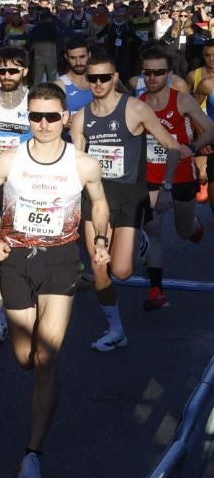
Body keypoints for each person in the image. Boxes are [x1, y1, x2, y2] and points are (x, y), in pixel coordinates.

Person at [0, 83, 110, 478]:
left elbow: (99, 203)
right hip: (14, 260)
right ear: (27, 118)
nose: (44, 124)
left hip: (61, 260)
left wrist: (100, 238)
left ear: (66, 118)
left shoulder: (82, 164)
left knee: (46, 358)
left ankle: (32, 454)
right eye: (36, 117)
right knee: (25, 359)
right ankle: (44, 369)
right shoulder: (10, 160)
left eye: (51, 116)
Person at [71, 50, 185, 352]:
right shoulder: (81, 118)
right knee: (99, 266)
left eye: (104, 78)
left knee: (121, 271)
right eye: (92, 78)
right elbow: (76, 162)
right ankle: (115, 329)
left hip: (130, 198)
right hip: (95, 199)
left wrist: (167, 186)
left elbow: (172, 146)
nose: (98, 83)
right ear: (87, 80)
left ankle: (142, 243)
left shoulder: (135, 109)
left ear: (115, 78)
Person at [135, 46, 214, 310]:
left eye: (158, 72)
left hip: (182, 176)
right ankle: (156, 290)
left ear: (169, 74)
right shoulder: (138, 103)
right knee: (153, 229)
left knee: (183, 231)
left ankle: (194, 224)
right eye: (148, 73)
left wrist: (191, 149)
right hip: (149, 176)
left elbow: (210, 129)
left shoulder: (182, 100)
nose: (152, 78)